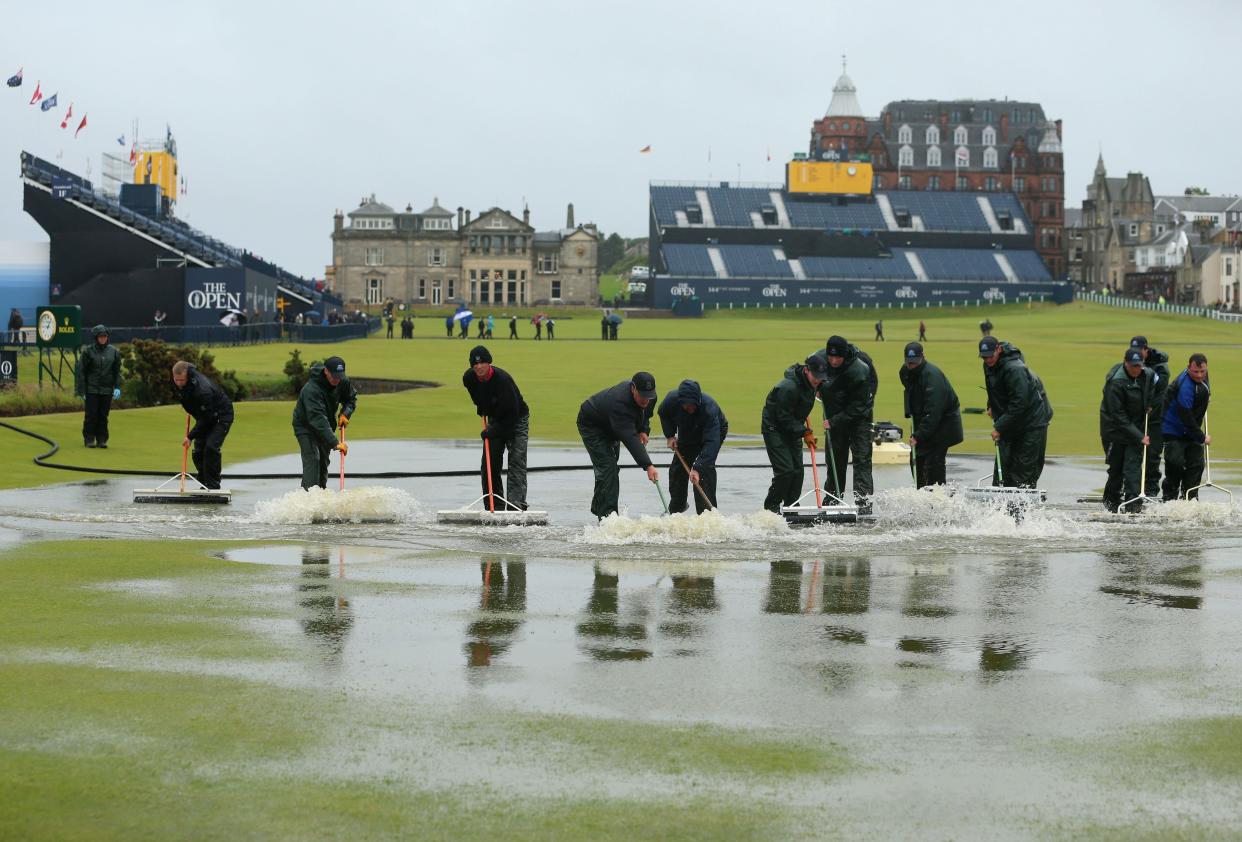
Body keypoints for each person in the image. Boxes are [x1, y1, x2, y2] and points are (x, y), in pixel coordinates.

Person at [576, 372, 660, 519]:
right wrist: (648, 465)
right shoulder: (620, 404)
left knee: (609, 470)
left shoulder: (649, 398)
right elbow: (630, 439)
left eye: (649, 395)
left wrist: (643, 430)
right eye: (642, 395)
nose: (646, 400)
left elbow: (646, 415)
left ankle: (599, 508)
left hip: (612, 424)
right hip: (592, 425)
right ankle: (608, 517)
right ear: (633, 388)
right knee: (608, 468)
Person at [462, 345, 530, 511]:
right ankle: (494, 505)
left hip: (517, 419)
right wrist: (482, 408)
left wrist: (492, 431)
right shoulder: (469, 378)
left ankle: (516, 506)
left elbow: (512, 414)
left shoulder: (503, 380)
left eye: (482, 363)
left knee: (516, 462)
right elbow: (477, 397)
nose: (479, 367)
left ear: (489, 363)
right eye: (475, 364)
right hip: (494, 418)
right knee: (489, 463)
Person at [980, 336, 1053, 488]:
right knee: (1002, 471)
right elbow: (994, 390)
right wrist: (991, 406)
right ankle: (1000, 511)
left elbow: (1020, 404)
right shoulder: (989, 365)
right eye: (984, 357)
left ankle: (1020, 511)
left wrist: (999, 427)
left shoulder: (1014, 369)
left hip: (1031, 423)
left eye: (990, 356)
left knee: (1022, 475)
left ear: (998, 349)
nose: (987, 360)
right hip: (1013, 421)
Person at [761, 354, 827, 513]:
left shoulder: (814, 384)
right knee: (786, 471)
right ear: (806, 370)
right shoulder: (788, 387)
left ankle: (791, 507)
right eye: (815, 377)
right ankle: (771, 507)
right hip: (775, 429)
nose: (818, 381)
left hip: (794, 427)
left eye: (820, 378)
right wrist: (805, 432)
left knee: (797, 471)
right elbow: (783, 418)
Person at [817, 335, 876, 512]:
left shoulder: (861, 370)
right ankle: (833, 501)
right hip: (834, 415)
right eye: (831, 356)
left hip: (859, 418)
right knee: (835, 460)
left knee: (862, 460)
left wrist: (834, 421)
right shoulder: (819, 360)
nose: (834, 361)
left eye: (838, 357)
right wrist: (816, 388)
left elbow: (857, 407)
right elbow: (803, 374)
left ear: (844, 355)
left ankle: (864, 505)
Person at [1099, 348, 1158, 513]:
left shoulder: (1146, 374)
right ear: (1125, 363)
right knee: (1116, 470)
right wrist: (1140, 436)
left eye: (1139, 366)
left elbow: (1154, 384)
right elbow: (1118, 416)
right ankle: (1111, 504)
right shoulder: (1116, 382)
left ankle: (1133, 505)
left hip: (1135, 429)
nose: (1136, 369)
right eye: (1133, 366)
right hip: (1114, 432)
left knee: (1133, 468)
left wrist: (1149, 403)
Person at [658, 380, 728, 514]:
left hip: (714, 432)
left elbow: (711, 442)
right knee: (678, 470)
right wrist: (670, 435)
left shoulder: (709, 409)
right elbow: (664, 414)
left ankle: (706, 515)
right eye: (687, 405)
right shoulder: (671, 400)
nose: (690, 408)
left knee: (703, 473)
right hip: (688, 428)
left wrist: (698, 467)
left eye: (693, 405)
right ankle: (677, 508)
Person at [899, 342, 963, 487]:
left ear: (922, 357)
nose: (912, 365)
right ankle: (922, 495)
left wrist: (918, 435)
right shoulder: (905, 372)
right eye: (909, 363)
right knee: (916, 460)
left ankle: (938, 499)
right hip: (926, 422)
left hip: (943, 425)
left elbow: (933, 413)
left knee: (934, 464)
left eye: (915, 362)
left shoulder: (932, 377)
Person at [291, 355, 355, 490]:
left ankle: (320, 494)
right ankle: (307, 497)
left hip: (326, 424)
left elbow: (350, 398)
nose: (337, 379)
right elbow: (317, 418)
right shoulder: (312, 389)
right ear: (326, 371)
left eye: (340, 376)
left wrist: (345, 413)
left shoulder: (341, 381)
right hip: (305, 427)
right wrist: (335, 443)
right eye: (334, 376)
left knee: (323, 463)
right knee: (313, 459)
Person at [171, 360, 234, 490]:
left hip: (221, 415)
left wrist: (190, 436)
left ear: (187, 376)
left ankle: (213, 486)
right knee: (198, 451)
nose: (179, 383)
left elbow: (207, 419)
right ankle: (203, 483)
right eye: (176, 380)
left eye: (181, 380)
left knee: (210, 447)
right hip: (205, 415)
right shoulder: (184, 382)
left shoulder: (202, 390)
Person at [1161, 353, 1211, 501]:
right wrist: (1202, 437)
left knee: (1197, 465)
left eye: (1203, 371)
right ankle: (1169, 500)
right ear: (1189, 367)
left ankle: (1190, 499)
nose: (1200, 375)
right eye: (1196, 372)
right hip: (1173, 430)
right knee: (1175, 463)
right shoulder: (1185, 387)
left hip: (1191, 431)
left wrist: (1206, 397)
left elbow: (1204, 387)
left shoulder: (1203, 375)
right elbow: (1186, 418)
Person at [1130, 336, 1170, 497]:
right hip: (1138, 418)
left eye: (1139, 351)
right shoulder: (1133, 364)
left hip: (1156, 418)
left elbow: (1158, 390)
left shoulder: (1161, 367)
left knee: (1152, 455)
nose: (1137, 354)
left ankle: (1151, 492)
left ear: (1146, 349)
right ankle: (1133, 491)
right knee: (1134, 455)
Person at [74, 324, 122, 448]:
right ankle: (89, 439)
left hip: (106, 389)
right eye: (100, 337)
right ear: (96, 338)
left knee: (103, 415)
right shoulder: (88, 352)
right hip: (92, 389)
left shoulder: (114, 352)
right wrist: (82, 390)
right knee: (91, 415)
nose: (103, 339)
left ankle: (102, 439)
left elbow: (117, 371)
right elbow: (81, 371)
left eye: (105, 336)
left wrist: (117, 387)